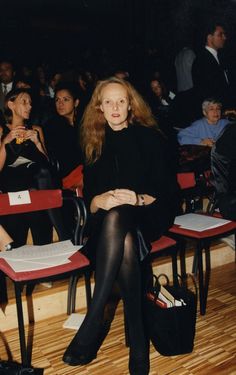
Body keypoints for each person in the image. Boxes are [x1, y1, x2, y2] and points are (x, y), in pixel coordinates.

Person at [62, 77, 179, 374]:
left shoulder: (150, 137)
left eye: (121, 101)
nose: (115, 107)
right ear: (99, 107)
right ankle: (138, 342)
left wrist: (137, 198)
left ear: (131, 105)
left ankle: (95, 314)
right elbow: (89, 201)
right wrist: (99, 200)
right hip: (112, 225)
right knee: (123, 236)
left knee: (122, 220)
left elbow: (167, 189)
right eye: (109, 101)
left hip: (148, 212)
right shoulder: (94, 142)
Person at [0, 88, 67, 247]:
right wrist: (5, 143)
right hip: (13, 186)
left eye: (30, 103)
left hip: (36, 185)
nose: (29, 106)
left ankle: (57, 236)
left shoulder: (36, 130)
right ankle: (63, 230)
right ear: (11, 104)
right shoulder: (2, 131)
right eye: (24, 102)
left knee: (41, 173)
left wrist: (37, 142)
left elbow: (48, 166)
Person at [44, 82, 83, 189]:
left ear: (76, 102)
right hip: (67, 174)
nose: (60, 104)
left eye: (66, 99)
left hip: (85, 169)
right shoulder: (51, 126)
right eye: (57, 100)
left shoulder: (83, 123)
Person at [192, 20, 232, 111]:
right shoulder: (201, 61)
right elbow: (207, 93)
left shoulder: (220, 57)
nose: (224, 37)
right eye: (220, 34)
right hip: (215, 112)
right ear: (210, 37)